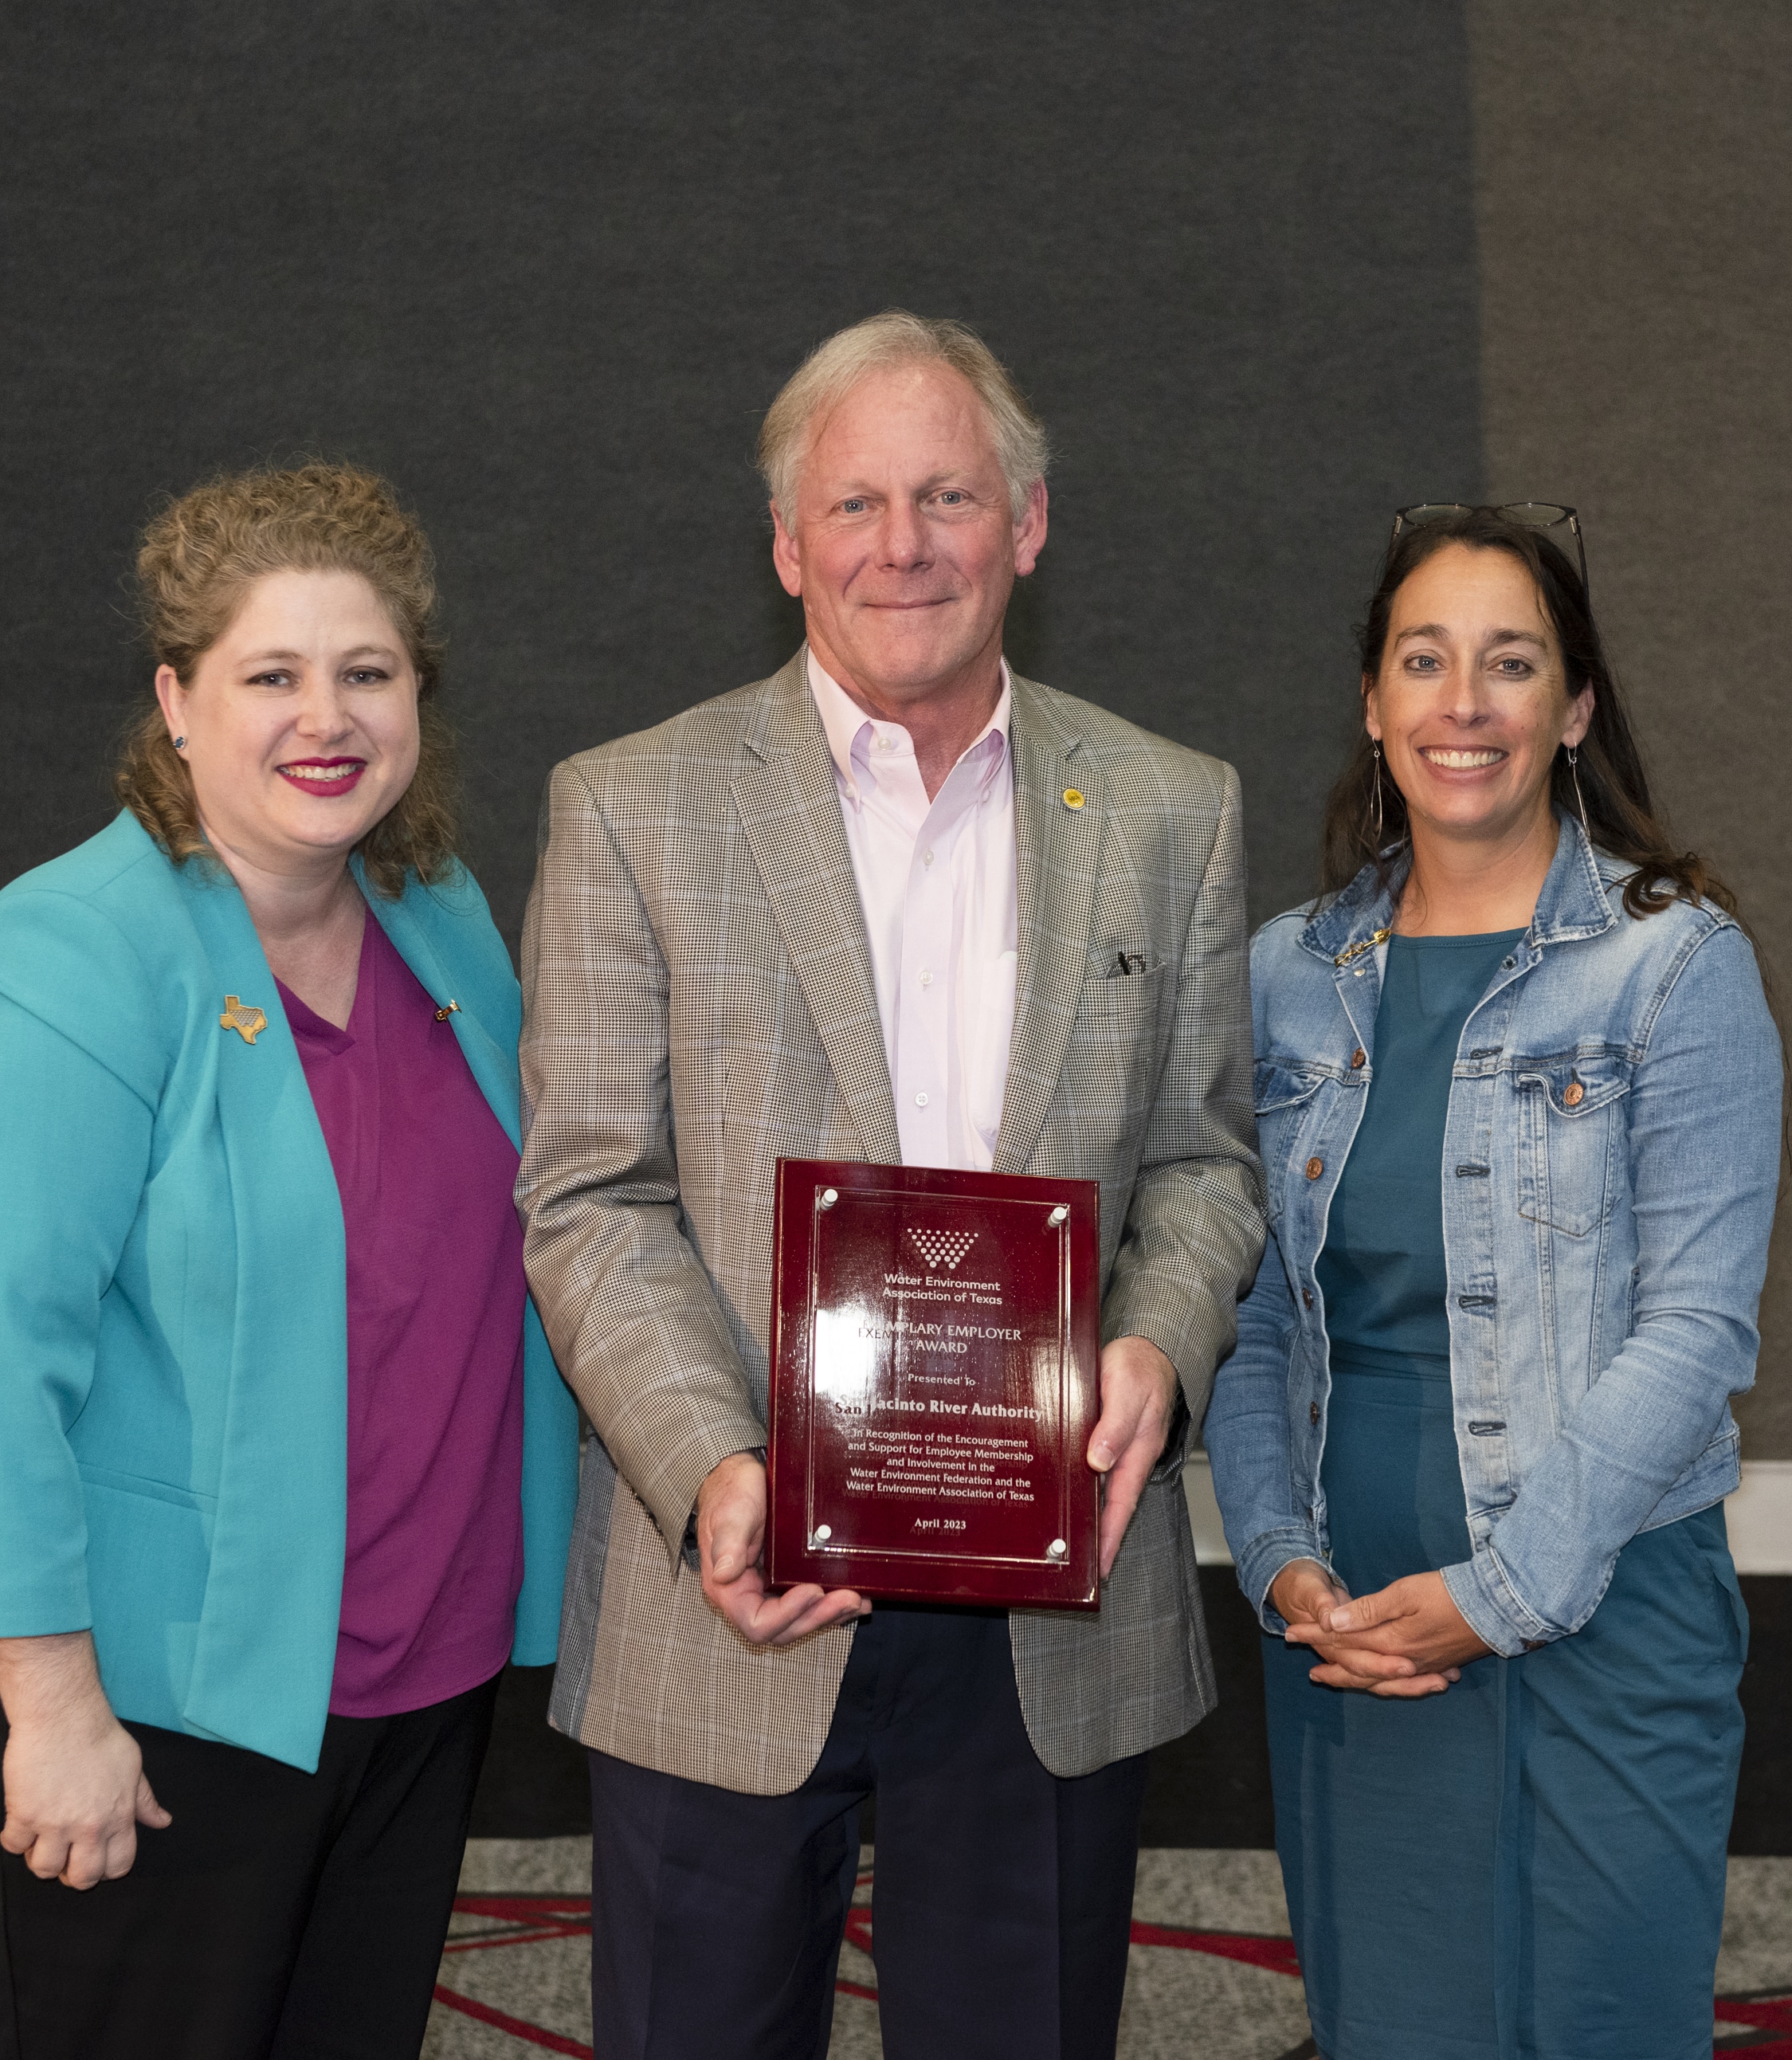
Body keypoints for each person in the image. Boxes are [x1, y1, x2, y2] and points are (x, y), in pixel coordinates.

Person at [515, 311, 1265, 2060]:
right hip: (736, 1594)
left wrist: (1157, 1347)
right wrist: (713, 1468)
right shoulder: (634, 809)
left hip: (1052, 1616)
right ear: (787, 546)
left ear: (1029, 523)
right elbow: (589, 1194)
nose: (902, 544)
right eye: (855, 504)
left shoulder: (1169, 807)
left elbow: (1204, 1166)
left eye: (947, 495)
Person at [0, 462, 578, 2059]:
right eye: (273, 675)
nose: (329, 717)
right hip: (144, 1700)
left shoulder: (435, 912)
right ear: (176, 702)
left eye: (367, 673)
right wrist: (53, 1710)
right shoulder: (60, 960)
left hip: (405, 1676)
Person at [1203, 504, 1782, 2058]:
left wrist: (1502, 1594)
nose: (1465, 703)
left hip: (1600, 1602)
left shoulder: (1677, 966)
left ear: (1574, 709)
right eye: (1426, 660)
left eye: (1511, 663)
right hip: (1359, 1630)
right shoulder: (1286, 977)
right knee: (1394, 2028)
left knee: (1599, 2027)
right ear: (1375, 707)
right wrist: (1275, 1558)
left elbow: (1696, 1334)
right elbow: (1252, 1317)